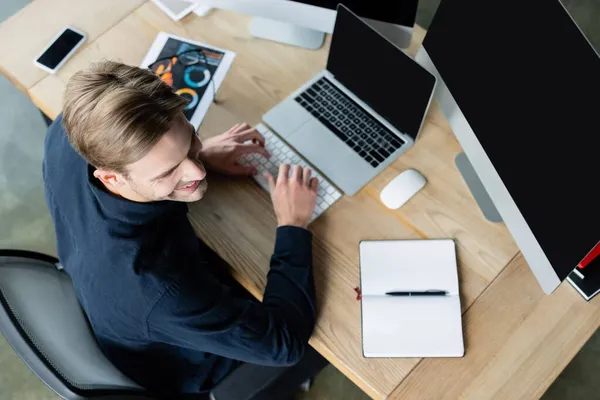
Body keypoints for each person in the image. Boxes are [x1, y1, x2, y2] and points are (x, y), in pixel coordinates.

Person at [43, 61, 320, 397]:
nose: (197, 173)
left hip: (117, 301)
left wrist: (201, 155)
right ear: (111, 177)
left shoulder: (66, 130)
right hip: (187, 359)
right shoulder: (159, 290)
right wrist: (292, 224)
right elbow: (285, 343)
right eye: (166, 172)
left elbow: (177, 165)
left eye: (189, 140)